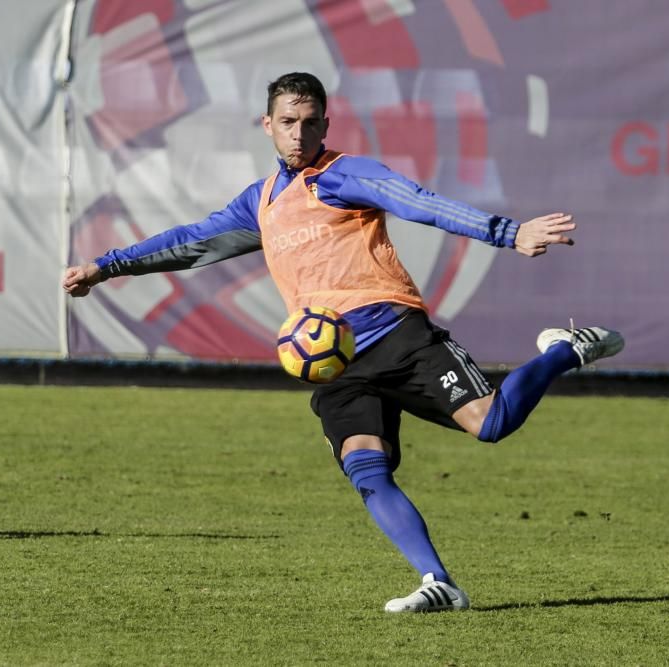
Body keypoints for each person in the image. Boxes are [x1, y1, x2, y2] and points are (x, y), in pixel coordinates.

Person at [63, 72, 624, 613]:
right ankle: (439, 582)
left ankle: (563, 350)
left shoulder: (344, 175)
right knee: (368, 469)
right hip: (332, 364)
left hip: (398, 336)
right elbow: (189, 241)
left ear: (325, 124)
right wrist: (105, 266)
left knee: (493, 424)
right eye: (288, 122)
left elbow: (419, 201)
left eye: (310, 123)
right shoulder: (260, 203)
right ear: (267, 125)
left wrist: (508, 233)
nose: (299, 135)